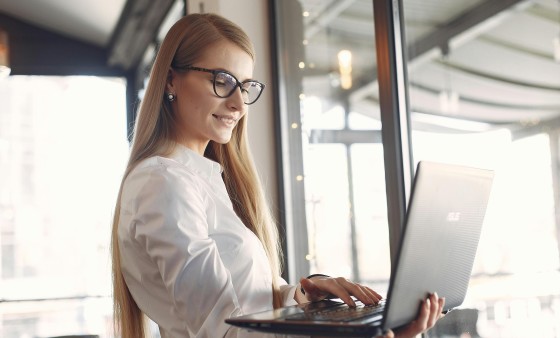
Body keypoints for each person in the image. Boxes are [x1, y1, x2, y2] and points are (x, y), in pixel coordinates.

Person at [110, 13, 445, 338]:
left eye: (245, 86)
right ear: (171, 79)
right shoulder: (164, 182)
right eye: (223, 81)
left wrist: (298, 297)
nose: (239, 104)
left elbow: (246, 308)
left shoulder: (201, 179)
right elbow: (225, 331)